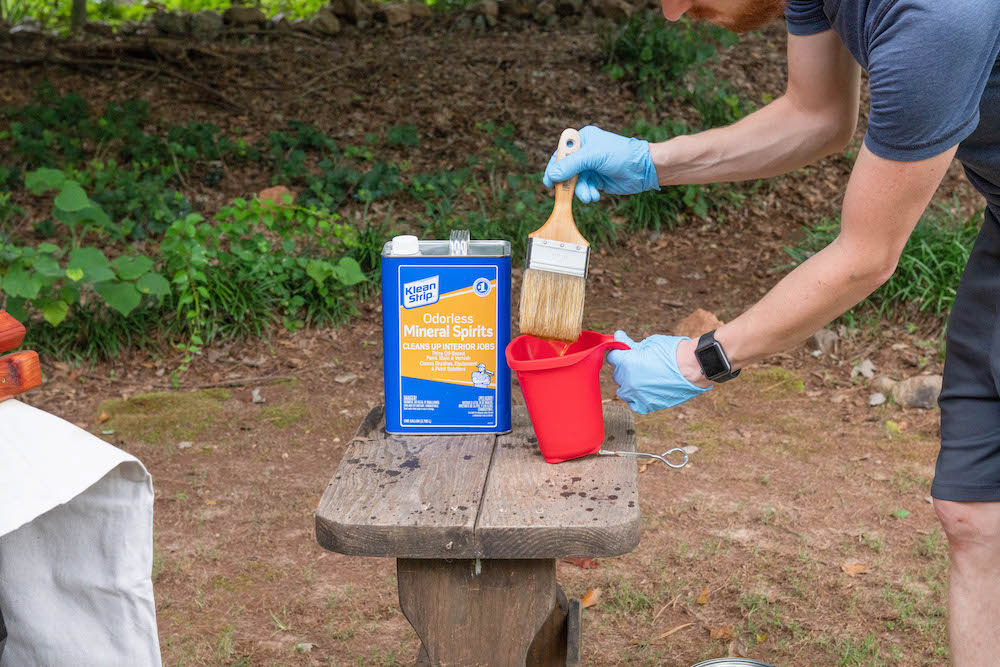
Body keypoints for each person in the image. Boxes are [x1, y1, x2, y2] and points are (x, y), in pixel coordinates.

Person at [542, 1, 1000, 663]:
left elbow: (867, 256)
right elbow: (815, 117)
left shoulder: (936, 17)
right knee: (975, 516)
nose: (674, 13)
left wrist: (703, 358)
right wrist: (651, 162)